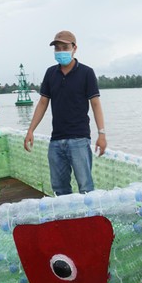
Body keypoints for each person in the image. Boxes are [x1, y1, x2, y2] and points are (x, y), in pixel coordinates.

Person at [23, 30, 107, 196]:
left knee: (86, 187)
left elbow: (95, 104)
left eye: (64, 47)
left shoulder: (86, 73)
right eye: (57, 48)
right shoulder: (50, 73)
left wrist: (102, 134)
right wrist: (30, 130)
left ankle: (88, 221)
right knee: (59, 188)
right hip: (56, 140)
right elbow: (42, 103)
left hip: (79, 139)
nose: (60, 51)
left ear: (74, 48)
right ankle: (66, 221)